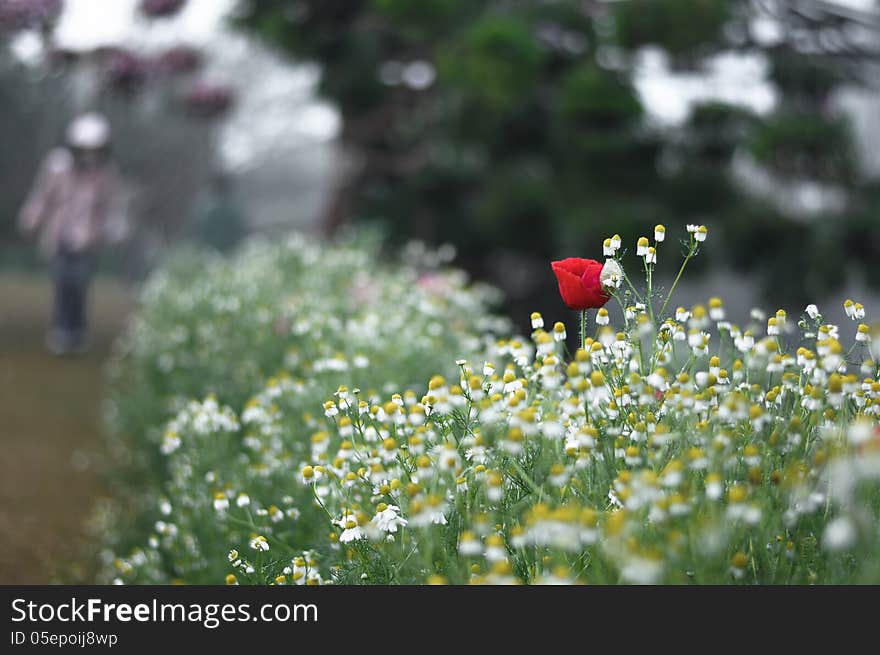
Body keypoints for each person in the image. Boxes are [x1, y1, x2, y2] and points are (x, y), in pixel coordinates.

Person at [18, 112, 124, 355]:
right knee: (62, 282)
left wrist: (114, 230)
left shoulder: (106, 174)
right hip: (60, 237)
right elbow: (42, 197)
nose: (89, 154)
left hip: (87, 240)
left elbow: (110, 207)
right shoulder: (57, 167)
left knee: (80, 284)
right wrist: (31, 219)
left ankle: (77, 330)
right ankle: (60, 330)